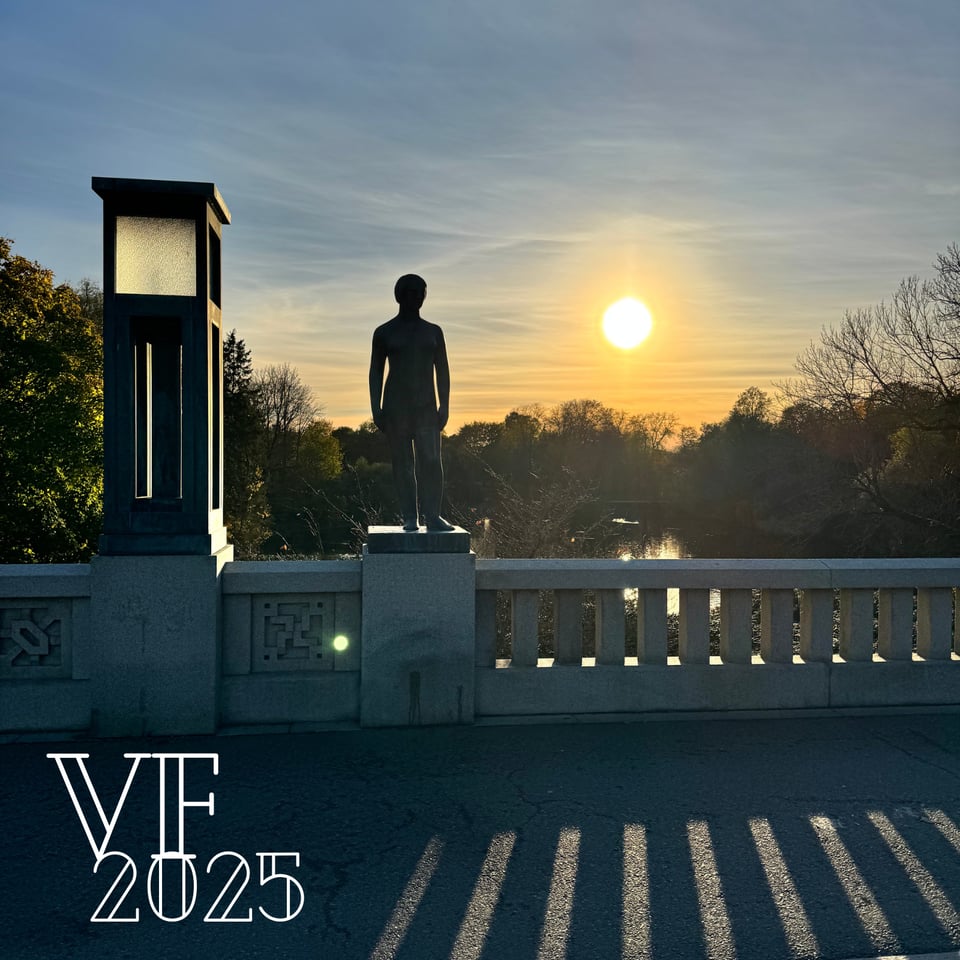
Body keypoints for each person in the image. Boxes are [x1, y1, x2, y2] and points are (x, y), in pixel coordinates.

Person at [368, 274, 455, 532]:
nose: (416, 298)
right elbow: (375, 372)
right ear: (399, 296)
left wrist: (445, 406)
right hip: (396, 408)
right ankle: (409, 516)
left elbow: (443, 371)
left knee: (431, 460)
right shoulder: (384, 333)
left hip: (427, 407)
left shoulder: (433, 332)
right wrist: (376, 408)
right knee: (403, 463)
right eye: (411, 292)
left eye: (420, 293)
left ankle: (433, 515)